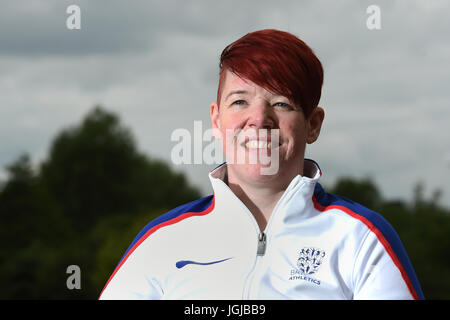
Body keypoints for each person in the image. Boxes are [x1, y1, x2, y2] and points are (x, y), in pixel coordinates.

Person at [99, 29, 424, 300]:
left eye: (282, 103)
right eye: (240, 101)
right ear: (216, 118)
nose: (259, 120)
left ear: (313, 124)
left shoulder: (362, 239)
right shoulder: (161, 241)